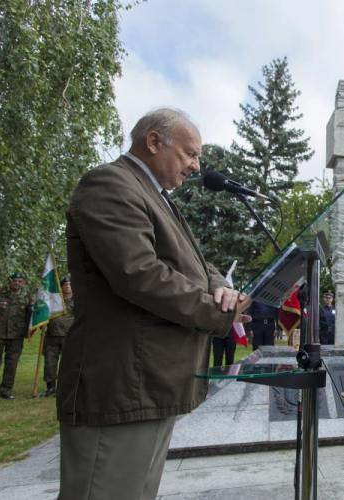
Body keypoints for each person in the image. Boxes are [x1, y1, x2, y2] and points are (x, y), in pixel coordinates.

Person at [57, 108, 249, 500]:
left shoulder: (157, 197)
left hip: (152, 382)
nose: (196, 166)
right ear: (153, 142)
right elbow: (139, 273)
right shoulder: (110, 185)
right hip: (122, 382)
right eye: (190, 154)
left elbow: (198, 263)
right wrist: (215, 311)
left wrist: (220, 287)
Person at [0, 272, 32, 400]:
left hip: (16, 336)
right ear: (10, 281)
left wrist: (30, 330)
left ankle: (6, 390)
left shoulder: (27, 297)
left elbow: (30, 316)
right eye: (15, 281)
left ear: (22, 283)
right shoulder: (0, 292)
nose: (17, 283)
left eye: (19, 281)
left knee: (11, 364)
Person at [43, 276, 74, 397]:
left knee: (68, 363)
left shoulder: (77, 299)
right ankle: (50, 388)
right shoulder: (53, 299)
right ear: (61, 287)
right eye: (65, 284)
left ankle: (66, 388)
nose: (67, 286)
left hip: (68, 335)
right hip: (52, 335)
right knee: (50, 363)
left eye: (69, 284)